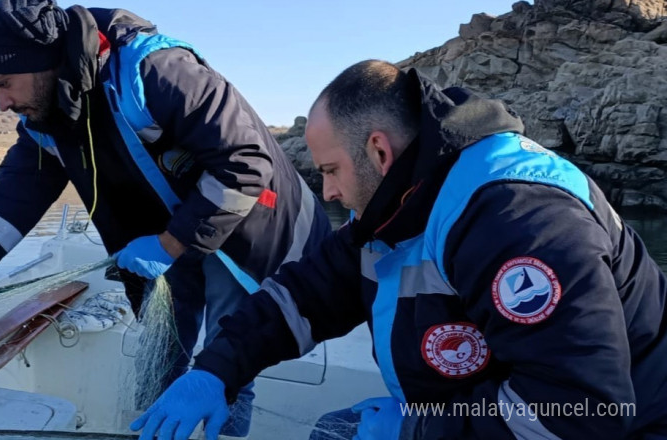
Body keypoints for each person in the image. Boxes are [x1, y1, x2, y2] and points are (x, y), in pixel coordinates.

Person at [0, 1, 331, 438]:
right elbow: (3, 209)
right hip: (166, 242)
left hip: (247, 229)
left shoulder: (156, 70)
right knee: (161, 359)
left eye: (2, 83)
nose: (1, 102)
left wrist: (170, 244)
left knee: (226, 362)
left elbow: (244, 163)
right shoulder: (47, 119)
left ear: (40, 61)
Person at [130, 59, 667, 440]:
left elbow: (579, 412)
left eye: (330, 171)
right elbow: (304, 296)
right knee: (335, 432)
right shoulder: (396, 206)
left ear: (379, 151)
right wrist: (215, 370)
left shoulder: (519, 223)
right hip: (478, 413)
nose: (330, 194)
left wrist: (419, 429)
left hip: (623, 424)